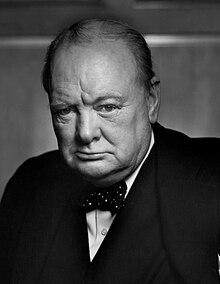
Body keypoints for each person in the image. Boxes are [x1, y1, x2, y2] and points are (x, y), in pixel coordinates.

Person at [0, 19, 219, 284]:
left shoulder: (212, 175)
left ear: (151, 101)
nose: (85, 133)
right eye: (65, 111)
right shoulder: (27, 184)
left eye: (107, 107)